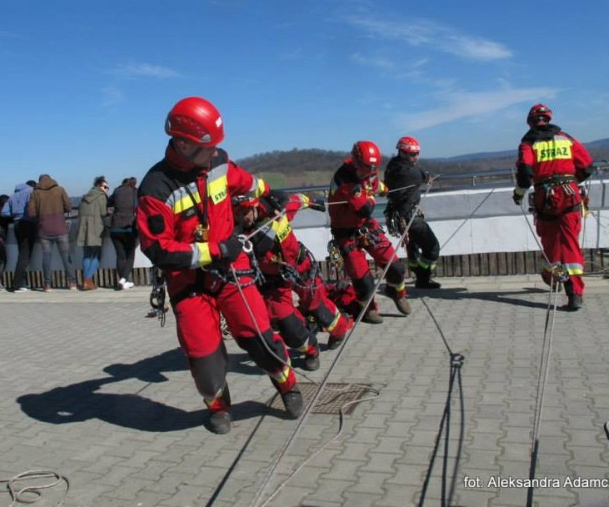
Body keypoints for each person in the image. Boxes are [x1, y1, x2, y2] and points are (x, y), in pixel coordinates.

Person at [137, 96, 302, 434]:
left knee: (257, 335)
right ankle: (218, 406)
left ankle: (288, 384)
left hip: (231, 269)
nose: (213, 154)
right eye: (204, 148)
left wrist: (269, 194)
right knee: (204, 356)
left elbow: (244, 181)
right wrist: (214, 250)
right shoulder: (155, 188)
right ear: (182, 144)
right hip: (189, 280)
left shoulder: (218, 161)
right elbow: (158, 249)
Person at [233, 192, 353, 370]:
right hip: (273, 281)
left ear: (254, 207)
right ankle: (311, 349)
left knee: (318, 307)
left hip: (300, 267)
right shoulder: (237, 235)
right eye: (237, 214)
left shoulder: (275, 210)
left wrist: (312, 202)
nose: (243, 218)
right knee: (286, 323)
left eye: (245, 213)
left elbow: (296, 200)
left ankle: (339, 330)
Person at [513, 104, 593, 311]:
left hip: (546, 197)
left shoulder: (528, 142)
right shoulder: (566, 138)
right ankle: (574, 293)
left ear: (530, 122)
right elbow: (587, 166)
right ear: (548, 119)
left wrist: (518, 195)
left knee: (550, 243)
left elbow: (525, 174)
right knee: (570, 244)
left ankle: (552, 277)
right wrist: (572, 182)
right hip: (570, 195)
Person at [328, 140, 411, 322]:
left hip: (365, 226)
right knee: (363, 280)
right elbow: (364, 208)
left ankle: (396, 291)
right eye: (368, 168)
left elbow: (374, 184)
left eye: (374, 167)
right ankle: (367, 309)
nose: (371, 171)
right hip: (346, 233)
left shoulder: (368, 172)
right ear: (357, 162)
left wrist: (385, 189)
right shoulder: (345, 180)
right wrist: (372, 196)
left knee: (395, 266)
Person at [384, 136, 441, 289]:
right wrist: (427, 176)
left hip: (400, 214)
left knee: (413, 248)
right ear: (402, 153)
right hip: (409, 216)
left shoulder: (392, 166)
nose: (415, 157)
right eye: (412, 154)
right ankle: (423, 279)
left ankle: (419, 274)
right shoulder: (408, 172)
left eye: (417, 154)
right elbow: (420, 174)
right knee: (432, 247)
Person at [27, 174, 77, 291]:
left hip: (44, 229)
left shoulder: (35, 193)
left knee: (46, 257)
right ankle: (72, 282)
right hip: (60, 227)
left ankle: (47, 284)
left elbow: (31, 213)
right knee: (65, 255)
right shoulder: (59, 190)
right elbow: (68, 207)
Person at [2, 180, 38, 292]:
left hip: (17, 225)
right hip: (28, 223)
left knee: (22, 252)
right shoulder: (31, 192)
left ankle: (21, 283)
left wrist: (15, 214)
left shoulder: (12, 196)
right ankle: (17, 284)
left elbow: (4, 212)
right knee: (25, 254)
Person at [76, 176, 109, 290]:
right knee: (97, 255)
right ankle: (87, 280)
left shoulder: (85, 197)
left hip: (83, 228)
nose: (106, 189)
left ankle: (86, 281)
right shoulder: (101, 196)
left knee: (86, 255)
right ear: (100, 186)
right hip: (96, 228)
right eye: (105, 187)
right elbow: (103, 212)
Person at [108, 177, 139, 290]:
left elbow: (109, 202)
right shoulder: (135, 192)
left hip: (115, 227)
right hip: (129, 228)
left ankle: (123, 281)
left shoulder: (117, 191)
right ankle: (124, 279)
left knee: (120, 256)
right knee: (130, 256)